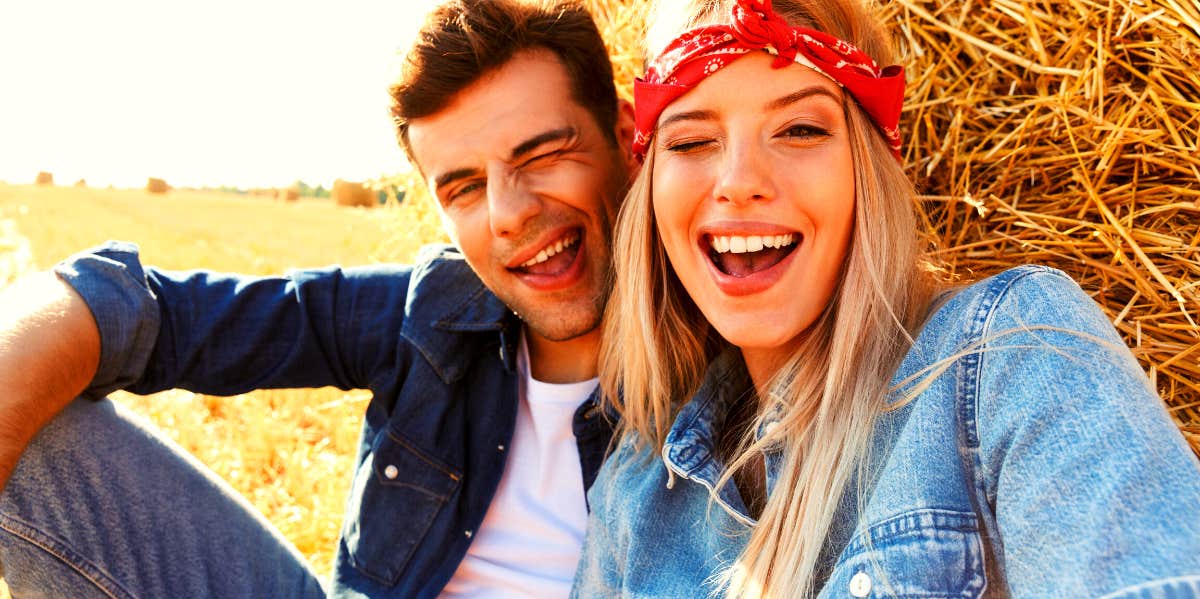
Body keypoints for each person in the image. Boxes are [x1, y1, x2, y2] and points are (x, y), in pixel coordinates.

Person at [0, 0, 637, 597]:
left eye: (546, 153)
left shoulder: (723, 362)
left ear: (627, 140)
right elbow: (140, 311)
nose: (507, 214)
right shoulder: (431, 310)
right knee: (34, 422)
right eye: (464, 189)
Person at [573, 0, 1200, 596]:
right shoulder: (637, 482)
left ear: (865, 164)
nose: (739, 182)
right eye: (689, 141)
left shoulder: (1010, 355)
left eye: (798, 129)